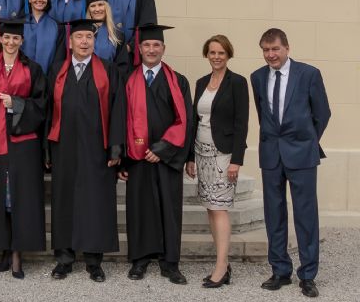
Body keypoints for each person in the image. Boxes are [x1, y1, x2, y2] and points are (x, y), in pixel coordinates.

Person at [251, 28, 330, 298]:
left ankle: (308, 275)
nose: (270, 54)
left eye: (275, 49)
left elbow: (322, 113)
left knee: (306, 214)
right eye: (265, 49)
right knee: (274, 213)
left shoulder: (309, 74)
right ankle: (280, 270)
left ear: (287, 48)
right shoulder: (258, 77)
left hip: (302, 154)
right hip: (271, 154)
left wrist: (307, 141)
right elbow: (264, 114)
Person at [46, 19, 126, 283]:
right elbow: (48, 111)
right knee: (64, 201)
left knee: (96, 202)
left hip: (97, 148)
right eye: (79, 37)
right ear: (70, 42)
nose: (83, 42)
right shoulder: (57, 70)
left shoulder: (108, 70)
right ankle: (64, 259)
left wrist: (116, 147)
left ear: (95, 41)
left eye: (88, 38)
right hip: (64, 147)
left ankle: (94, 260)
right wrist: (48, 149)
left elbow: (118, 109)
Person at [118, 24, 192, 285]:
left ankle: (170, 263)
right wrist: (122, 159)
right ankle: (139, 260)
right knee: (139, 209)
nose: (151, 49)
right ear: (139, 49)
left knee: (169, 210)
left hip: (167, 156)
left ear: (163, 49)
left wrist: (162, 149)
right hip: (137, 157)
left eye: (156, 45)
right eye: (147, 45)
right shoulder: (129, 79)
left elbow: (185, 120)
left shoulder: (178, 80)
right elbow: (120, 119)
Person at [0, 19, 48, 280]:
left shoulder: (33, 69)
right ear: (1, 40)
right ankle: (5, 250)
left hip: (23, 142)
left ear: (22, 41)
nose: (10, 42)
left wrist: (17, 103)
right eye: (6, 38)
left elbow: (42, 105)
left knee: (21, 198)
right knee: (0, 198)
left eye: (15, 39)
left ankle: (18, 254)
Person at [185, 35, 249, 288]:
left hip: (224, 154)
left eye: (221, 53)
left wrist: (237, 160)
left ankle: (221, 267)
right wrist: (190, 156)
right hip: (201, 152)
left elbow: (241, 123)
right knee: (210, 207)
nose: (216, 57)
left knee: (220, 208)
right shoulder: (201, 82)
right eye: (212, 52)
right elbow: (194, 120)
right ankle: (222, 262)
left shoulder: (238, 83)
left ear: (228, 54)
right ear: (206, 55)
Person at [20, 0, 65, 73]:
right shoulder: (19, 24)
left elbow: (59, 58)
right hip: (22, 80)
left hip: (48, 81)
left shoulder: (57, 27)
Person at [84, 0, 129, 75]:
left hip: (109, 82)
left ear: (107, 7)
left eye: (101, 4)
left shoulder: (117, 35)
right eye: (93, 6)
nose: (97, 9)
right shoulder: (82, 33)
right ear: (89, 10)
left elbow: (122, 67)